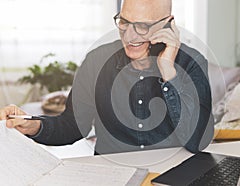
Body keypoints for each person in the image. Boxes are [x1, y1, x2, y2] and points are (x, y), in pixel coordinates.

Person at [0, 0, 213, 155]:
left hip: (171, 173)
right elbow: (73, 126)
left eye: (143, 26)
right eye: (124, 22)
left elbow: (196, 141)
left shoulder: (192, 62)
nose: (129, 35)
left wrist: (169, 72)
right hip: (111, 174)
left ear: (168, 24)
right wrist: (32, 125)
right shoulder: (96, 61)